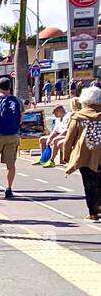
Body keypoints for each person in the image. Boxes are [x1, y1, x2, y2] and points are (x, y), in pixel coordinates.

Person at [57, 84, 101, 221]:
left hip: (85, 156)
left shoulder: (78, 117)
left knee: (89, 184)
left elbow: (69, 139)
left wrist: (66, 157)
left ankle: (93, 213)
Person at [0, 76, 24, 198]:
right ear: (9, 88)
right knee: (10, 165)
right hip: (13, 136)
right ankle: (9, 188)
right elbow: (21, 119)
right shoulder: (17, 101)